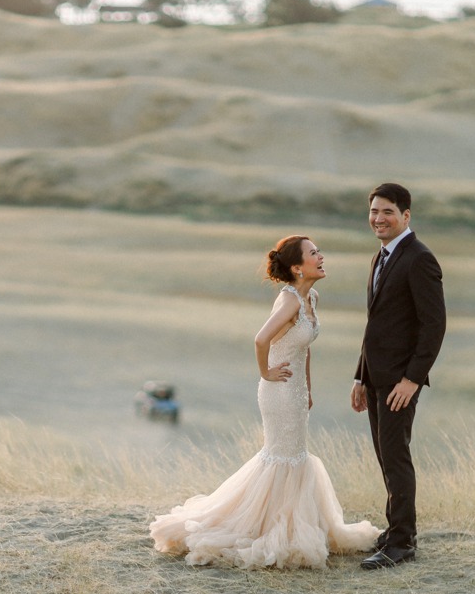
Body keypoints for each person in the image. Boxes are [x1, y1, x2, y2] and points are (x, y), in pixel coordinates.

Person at [150, 236, 380, 569]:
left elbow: (303, 348)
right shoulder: (289, 302)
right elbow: (260, 339)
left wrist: (309, 388)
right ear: (297, 267)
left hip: (297, 390)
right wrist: (266, 372)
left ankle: (285, 526)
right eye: (314, 253)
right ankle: (270, 531)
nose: (321, 257)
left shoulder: (311, 297)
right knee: (284, 457)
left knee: (294, 457)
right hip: (279, 392)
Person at [350, 183, 446, 570]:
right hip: (376, 378)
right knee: (385, 456)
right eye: (374, 211)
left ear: (406, 216)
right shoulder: (382, 257)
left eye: (387, 211)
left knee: (396, 457)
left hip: (399, 382)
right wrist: (360, 377)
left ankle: (402, 542)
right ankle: (393, 531)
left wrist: (412, 379)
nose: (379, 218)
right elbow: (376, 325)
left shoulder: (419, 258)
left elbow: (433, 325)